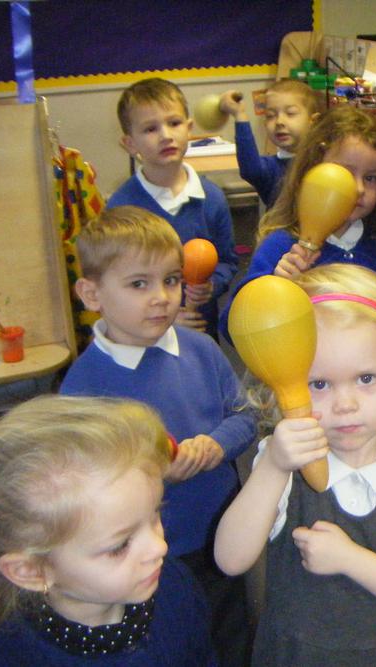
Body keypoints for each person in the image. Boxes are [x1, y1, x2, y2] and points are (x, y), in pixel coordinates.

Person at [214, 263, 376, 666]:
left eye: (366, 379)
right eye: (320, 384)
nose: (345, 404)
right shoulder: (282, 461)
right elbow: (230, 559)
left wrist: (350, 559)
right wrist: (273, 466)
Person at [59, 206, 256, 667]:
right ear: (92, 294)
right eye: (138, 284)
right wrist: (150, 473)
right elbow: (84, 485)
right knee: (168, 643)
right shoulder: (83, 386)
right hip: (143, 554)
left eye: (171, 280)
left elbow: (246, 415)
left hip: (222, 531)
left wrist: (217, 444)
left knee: (231, 638)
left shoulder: (201, 349)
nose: (162, 298)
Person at [0, 395, 217, 666]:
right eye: (120, 546)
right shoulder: (12, 656)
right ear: (32, 571)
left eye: (155, 514)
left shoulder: (176, 586)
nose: (160, 547)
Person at [218, 105, 376, 343]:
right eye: (345, 173)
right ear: (312, 173)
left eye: (371, 178)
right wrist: (277, 287)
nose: (359, 188)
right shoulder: (281, 247)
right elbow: (234, 329)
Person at [108, 77, 239, 340]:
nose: (166, 136)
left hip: (201, 332)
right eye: (150, 129)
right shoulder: (122, 208)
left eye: (174, 123)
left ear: (189, 129)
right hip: (145, 337)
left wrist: (212, 285)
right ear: (130, 144)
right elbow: (117, 284)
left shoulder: (211, 198)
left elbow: (227, 261)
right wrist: (163, 317)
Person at [219, 79, 322, 208]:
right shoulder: (270, 169)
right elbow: (250, 170)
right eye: (270, 116)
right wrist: (240, 115)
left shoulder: (326, 159)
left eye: (290, 113)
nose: (279, 122)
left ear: (313, 121)